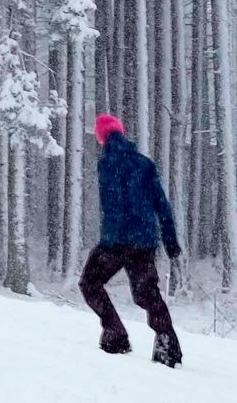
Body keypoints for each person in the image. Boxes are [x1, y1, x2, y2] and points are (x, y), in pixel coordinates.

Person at [78, 113, 183, 368]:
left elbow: (115, 204)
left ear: (102, 138)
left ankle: (115, 334)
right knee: (146, 293)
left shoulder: (105, 165)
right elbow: (162, 204)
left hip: (114, 241)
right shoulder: (143, 163)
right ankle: (168, 345)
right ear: (123, 134)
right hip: (143, 241)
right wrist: (170, 241)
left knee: (90, 282)